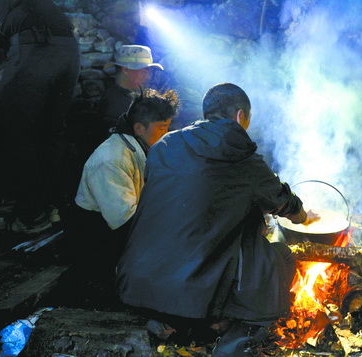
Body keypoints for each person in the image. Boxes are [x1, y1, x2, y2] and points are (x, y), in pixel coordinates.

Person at [117, 83, 318, 356]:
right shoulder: (240, 154)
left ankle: (174, 319)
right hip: (189, 290)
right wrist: (304, 216)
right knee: (279, 257)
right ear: (239, 116)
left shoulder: (165, 144)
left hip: (138, 281)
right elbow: (283, 203)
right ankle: (236, 333)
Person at [0, 0, 80, 233]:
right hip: (69, 51)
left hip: (36, 49)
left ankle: (31, 216)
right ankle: (54, 207)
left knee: (19, 134)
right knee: (51, 132)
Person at [69, 88, 179, 281]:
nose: (166, 133)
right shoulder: (111, 160)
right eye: (162, 127)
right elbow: (124, 222)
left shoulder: (139, 147)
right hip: (100, 244)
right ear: (139, 128)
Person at [98, 44, 163, 135]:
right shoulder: (116, 104)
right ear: (125, 70)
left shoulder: (129, 96)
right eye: (144, 71)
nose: (148, 76)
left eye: (149, 71)